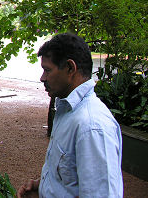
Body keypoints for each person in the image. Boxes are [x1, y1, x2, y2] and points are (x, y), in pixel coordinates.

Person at [17, 33, 123, 198]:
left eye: (47, 70)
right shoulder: (67, 111)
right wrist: (44, 187)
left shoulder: (92, 126)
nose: (42, 78)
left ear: (70, 68)